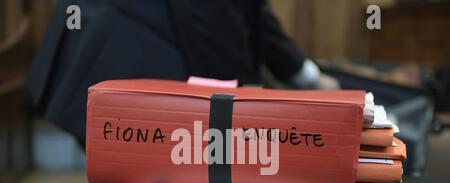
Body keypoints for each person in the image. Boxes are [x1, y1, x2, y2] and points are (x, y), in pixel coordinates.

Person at [26, 0, 339, 148]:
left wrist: (304, 74)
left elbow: (249, 9)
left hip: (133, 39)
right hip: (119, 47)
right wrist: (244, 104)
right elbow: (210, 20)